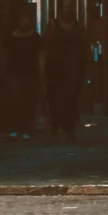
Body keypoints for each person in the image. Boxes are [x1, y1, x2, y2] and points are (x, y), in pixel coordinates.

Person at [1, 0, 43, 136]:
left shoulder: (36, 38)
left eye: (27, 19)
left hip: (31, 74)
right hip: (14, 73)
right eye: (22, 19)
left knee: (28, 100)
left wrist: (42, 73)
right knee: (15, 100)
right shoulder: (9, 38)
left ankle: (26, 127)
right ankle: (15, 127)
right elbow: (5, 55)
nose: (25, 22)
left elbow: (41, 56)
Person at [43, 10, 87, 140]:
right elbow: (45, 44)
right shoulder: (53, 25)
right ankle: (55, 125)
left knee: (70, 97)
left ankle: (68, 126)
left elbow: (84, 46)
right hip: (55, 67)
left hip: (73, 67)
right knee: (54, 97)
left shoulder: (79, 26)